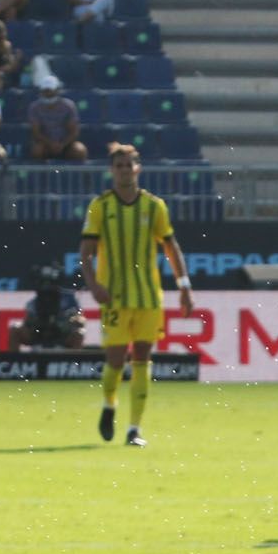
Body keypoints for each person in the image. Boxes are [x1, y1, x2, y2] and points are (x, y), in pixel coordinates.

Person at [82, 142, 192, 447]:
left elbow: (171, 246)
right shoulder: (101, 206)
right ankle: (109, 404)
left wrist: (184, 286)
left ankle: (134, 429)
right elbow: (86, 252)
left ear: (138, 168)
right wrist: (93, 285)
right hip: (114, 296)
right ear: (112, 170)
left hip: (148, 296)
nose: (124, 170)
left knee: (143, 357)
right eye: (119, 166)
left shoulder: (154, 206)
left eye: (129, 165)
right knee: (116, 359)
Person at [8, 259, 84, 350]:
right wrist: (33, 322)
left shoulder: (69, 297)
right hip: (38, 333)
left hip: (62, 333)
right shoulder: (34, 300)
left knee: (78, 334)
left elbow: (80, 319)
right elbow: (27, 322)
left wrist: (70, 321)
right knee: (15, 330)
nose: (48, 286)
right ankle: (14, 362)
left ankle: (74, 363)